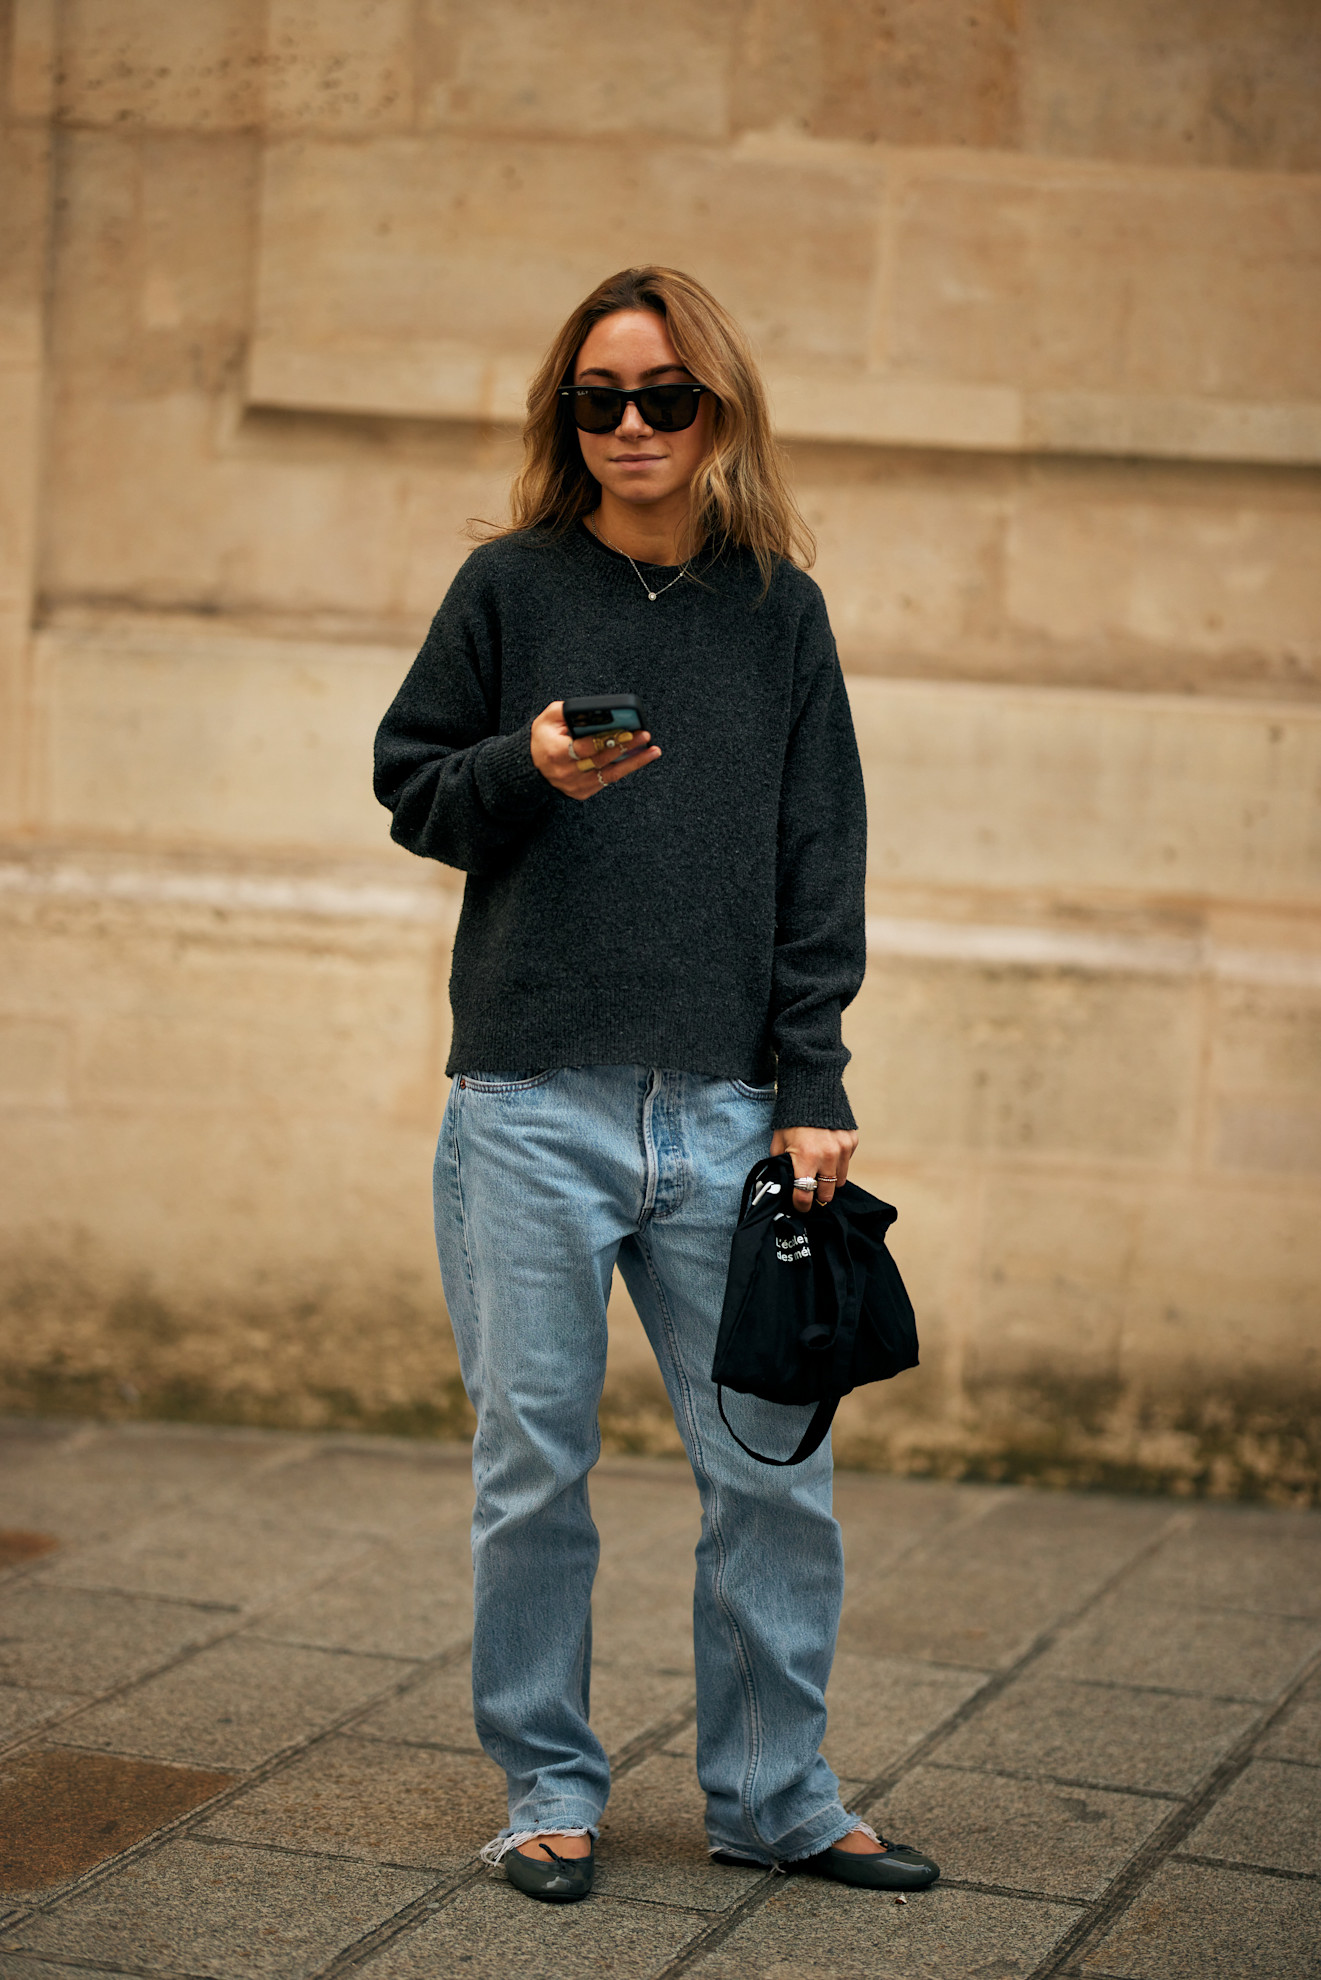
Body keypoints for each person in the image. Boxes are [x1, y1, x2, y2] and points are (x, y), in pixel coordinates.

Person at [373, 266, 939, 1904]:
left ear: (717, 413)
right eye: (600, 399)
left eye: (664, 397)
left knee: (772, 1467)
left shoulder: (779, 610)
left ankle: (773, 1793)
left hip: (729, 1116)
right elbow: (413, 790)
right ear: (570, 417)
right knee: (531, 1459)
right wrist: (522, 768)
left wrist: (813, 1079)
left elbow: (817, 855)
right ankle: (547, 1787)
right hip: (528, 1105)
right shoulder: (506, 585)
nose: (632, 425)